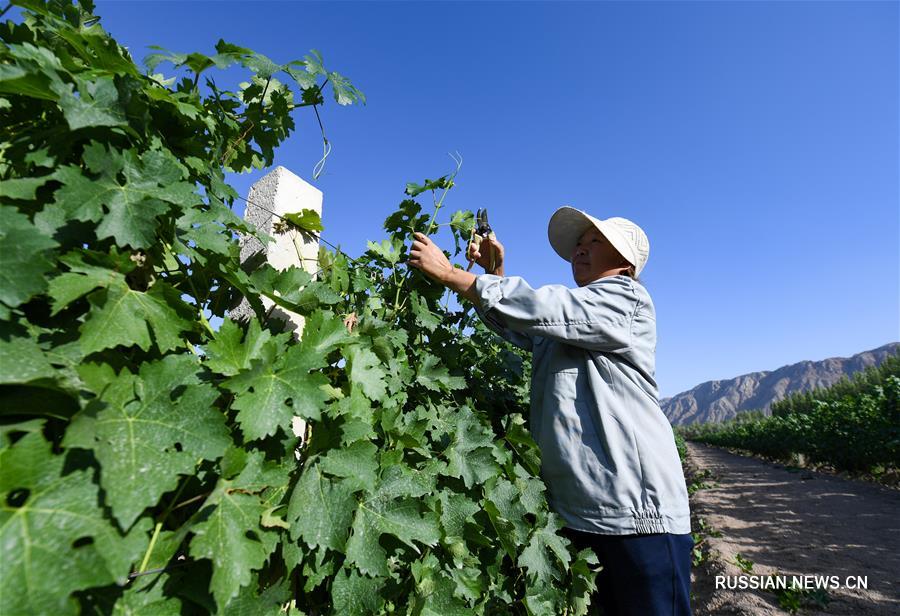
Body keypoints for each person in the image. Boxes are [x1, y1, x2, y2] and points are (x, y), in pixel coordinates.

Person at [408, 206, 693, 616]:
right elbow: (524, 324)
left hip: (636, 515)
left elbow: (546, 309)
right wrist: (495, 273)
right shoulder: (579, 319)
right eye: (579, 243)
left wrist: (454, 274)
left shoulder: (625, 300)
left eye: (594, 241)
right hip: (585, 511)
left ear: (626, 263)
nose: (580, 249)